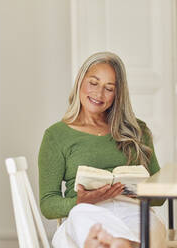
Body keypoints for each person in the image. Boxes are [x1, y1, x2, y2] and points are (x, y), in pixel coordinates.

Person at [38, 52, 166, 248]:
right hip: (86, 211)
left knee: (151, 224)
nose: (98, 94)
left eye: (109, 88)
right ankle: (115, 243)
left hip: (133, 210)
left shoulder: (136, 131)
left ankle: (117, 243)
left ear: (118, 94)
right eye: (93, 83)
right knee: (82, 217)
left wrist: (138, 191)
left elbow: (160, 196)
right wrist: (81, 200)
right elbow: (48, 204)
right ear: (81, 80)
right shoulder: (56, 135)